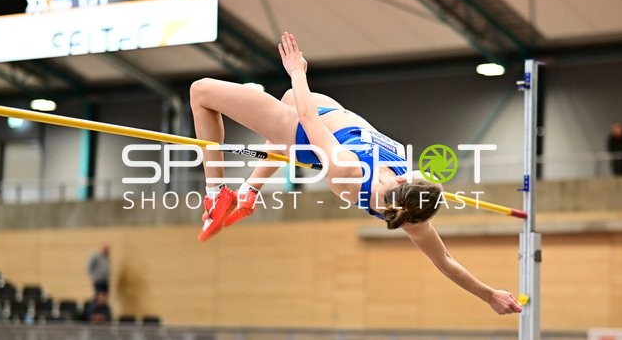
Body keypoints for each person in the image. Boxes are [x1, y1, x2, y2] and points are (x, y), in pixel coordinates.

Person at [189, 32, 522, 316]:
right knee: (289, 97)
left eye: (420, 174)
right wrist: (489, 295)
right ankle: (250, 190)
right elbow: (446, 260)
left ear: (404, 181)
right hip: (337, 116)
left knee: (201, 92)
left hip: (305, 132)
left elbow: (307, 117)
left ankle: (216, 191)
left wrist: (297, 70)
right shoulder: (413, 215)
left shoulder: (349, 170)